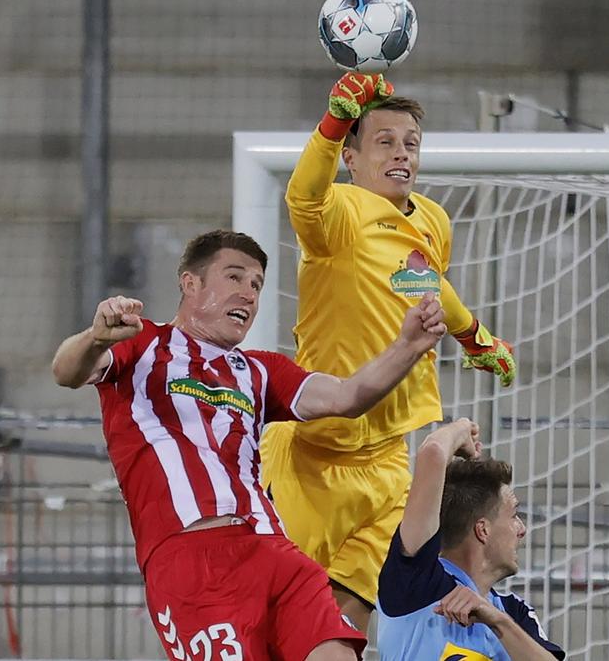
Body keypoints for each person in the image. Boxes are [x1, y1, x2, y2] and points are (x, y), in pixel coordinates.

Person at [51, 229, 447, 661]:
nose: (248, 293)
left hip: (272, 548)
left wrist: (409, 346)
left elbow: (348, 397)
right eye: (234, 277)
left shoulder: (260, 370)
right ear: (190, 283)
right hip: (192, 559)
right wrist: (95, 337)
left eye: (256, 284)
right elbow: (67, 371)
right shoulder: (142, 342)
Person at [260, 71, 518, 630]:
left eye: (411, 143)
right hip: (316, 456)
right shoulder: (340, 214)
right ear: (350, 157)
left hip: (387, 464)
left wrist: (474, 336)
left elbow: (428, 283)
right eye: (384, 142)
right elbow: (302, 197)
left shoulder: (432, 220)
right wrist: (331, 121)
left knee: (349, 619)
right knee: (270, 618)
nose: (402, 154)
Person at [376, 418, 564, 660]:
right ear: (482, 530)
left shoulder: (513, 611)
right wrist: (463, 429)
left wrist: (495, 620)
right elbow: (433, 452)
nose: (522, 529)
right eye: (515, 515)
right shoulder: (417, 579)